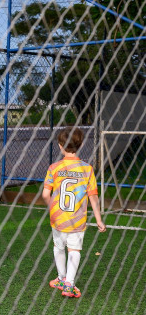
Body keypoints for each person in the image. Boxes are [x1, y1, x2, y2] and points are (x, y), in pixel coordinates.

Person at [42, 127, 106, 298]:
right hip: (77, 220)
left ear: (60, 145)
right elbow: (93, 197)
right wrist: (99, 219)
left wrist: (53, 209)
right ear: (81, 145)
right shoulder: (87, 169)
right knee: (74, 250)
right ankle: (69, 284)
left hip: (58, 218)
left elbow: (45, 195)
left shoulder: (54, 168)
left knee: (58, 246)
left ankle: (61, 278)